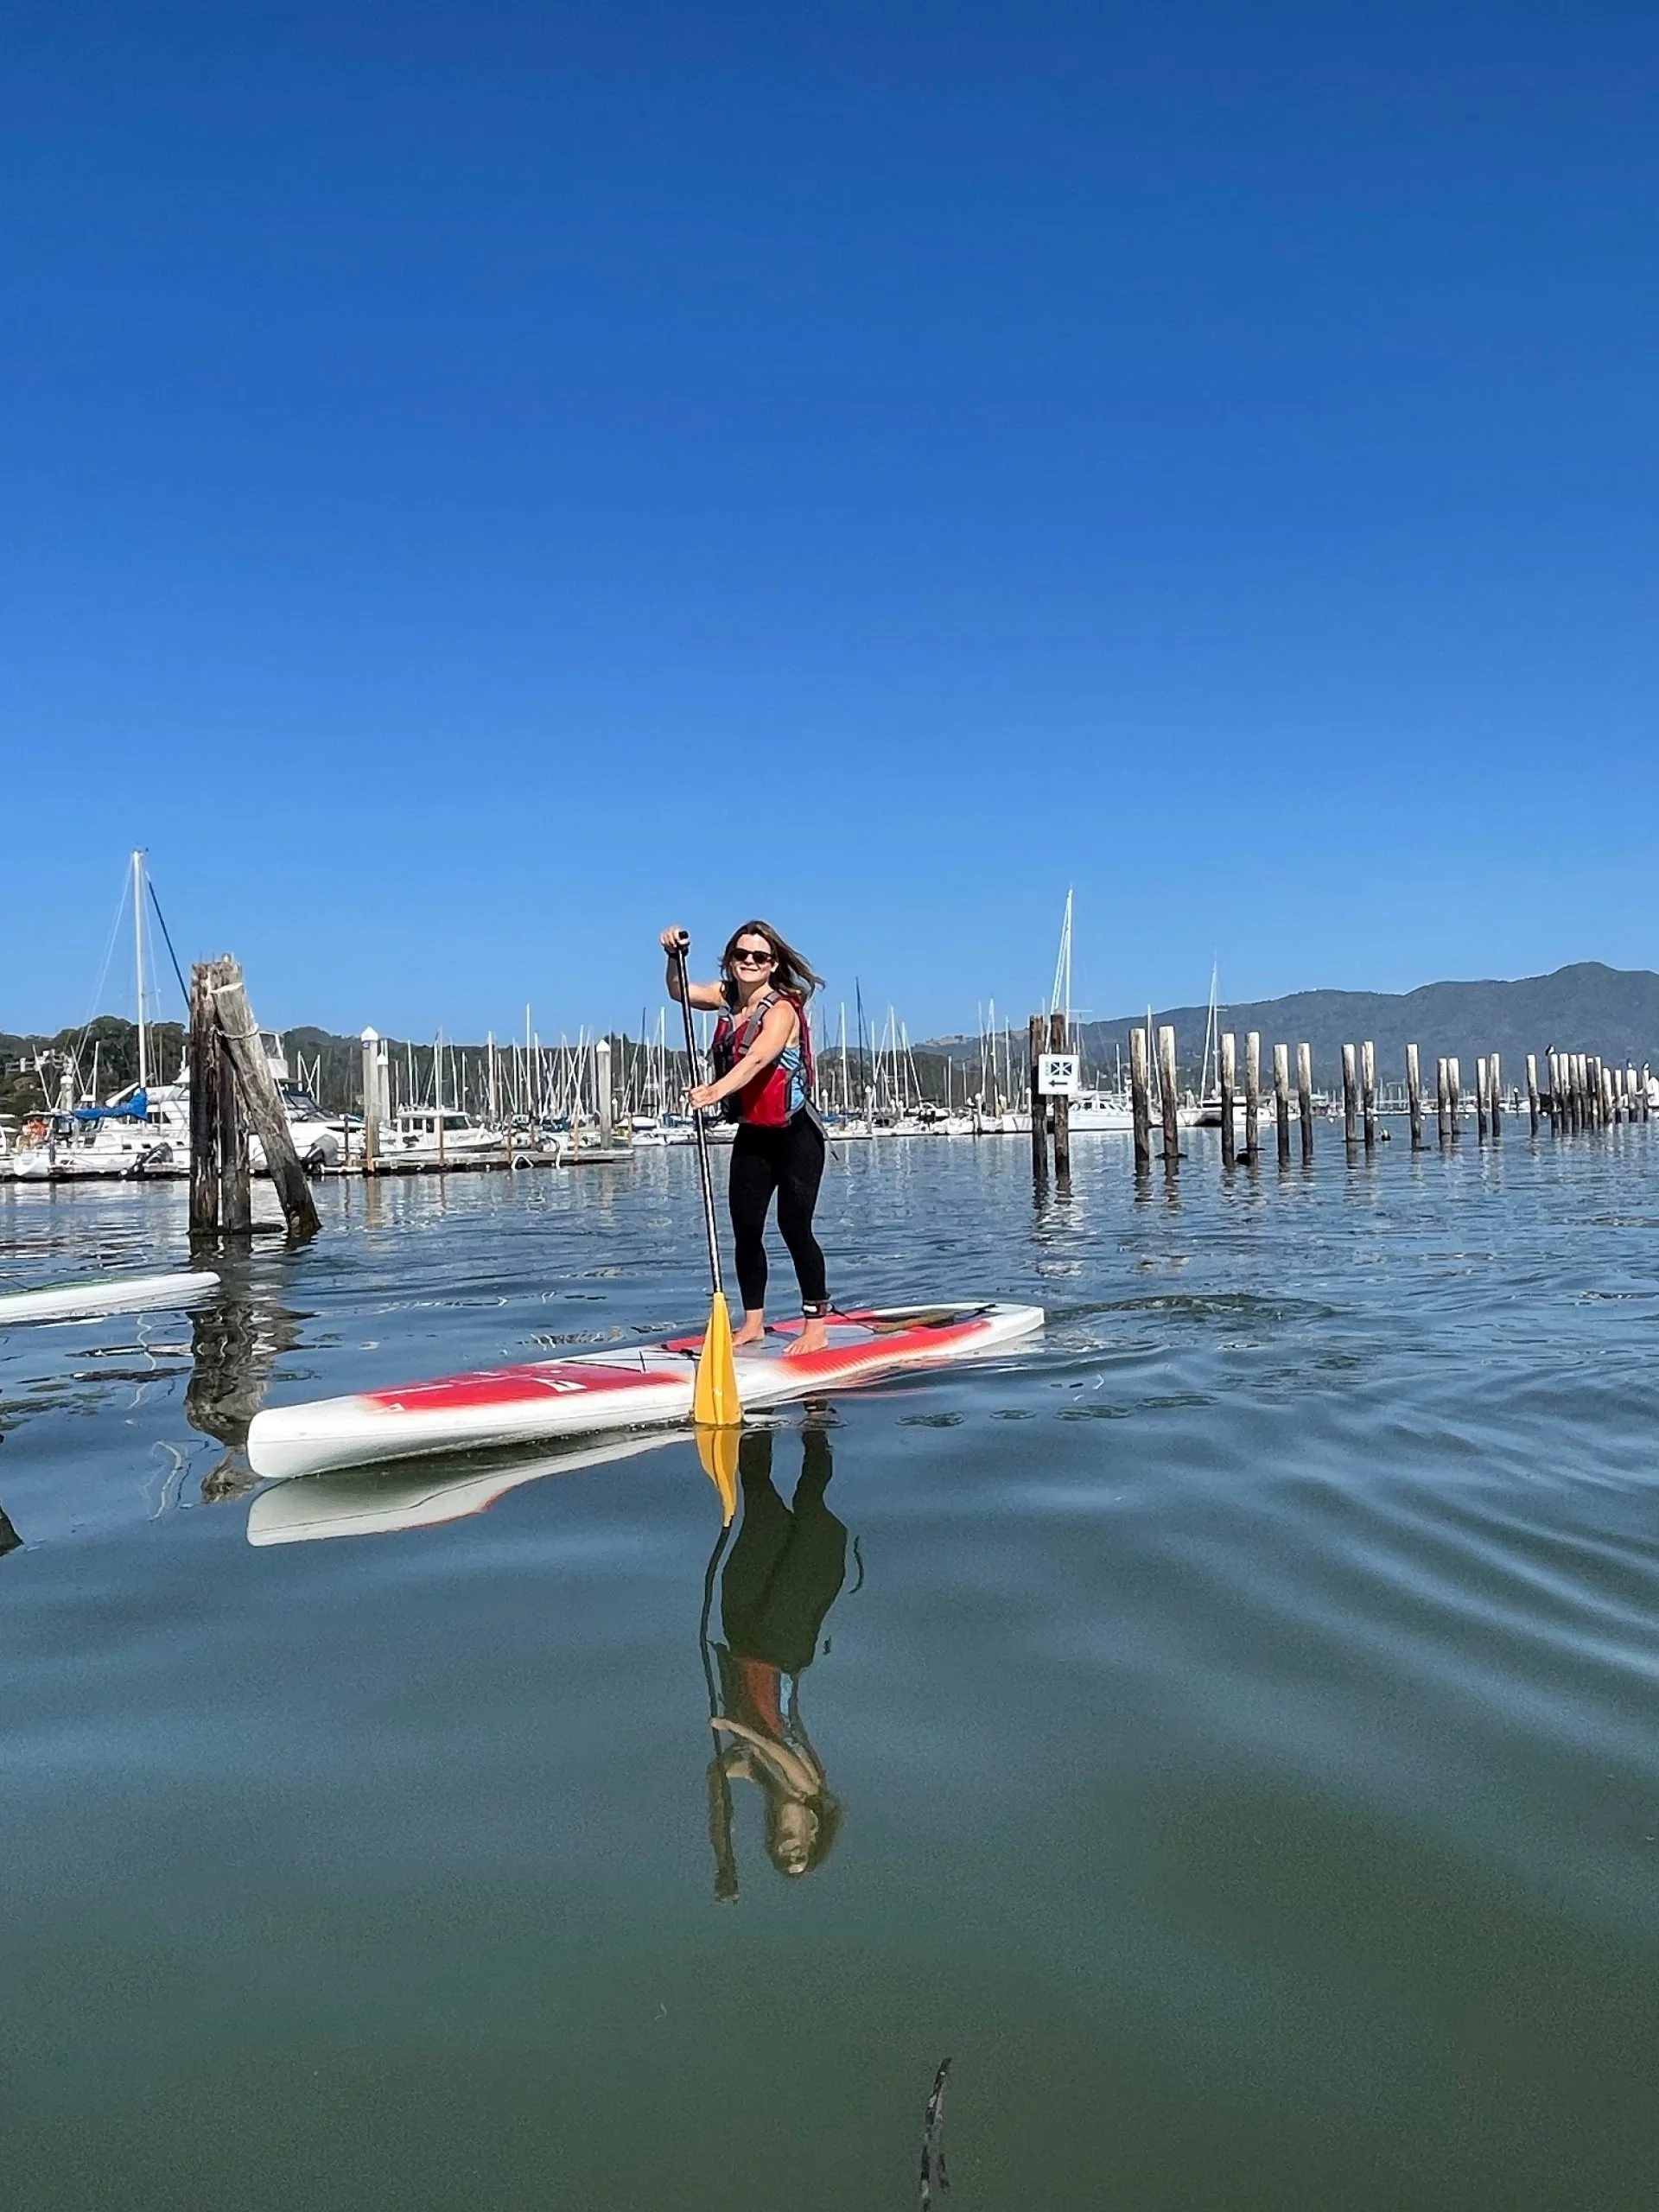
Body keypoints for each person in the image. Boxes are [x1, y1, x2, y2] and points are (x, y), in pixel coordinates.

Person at [661, 918, 832, 1357]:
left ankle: (816, 1326)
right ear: (731, 960)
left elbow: (758, 1059)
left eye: (760, 957)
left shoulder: (782, 1010)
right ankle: (753, 1323)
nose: (750, 963)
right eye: (742, 955)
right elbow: (679, 991)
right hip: (753, 1136)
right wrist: (672, 955)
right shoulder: (724, 997)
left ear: (774, 964)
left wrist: (713, 1092)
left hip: (797, 1136)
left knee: (794, 1227)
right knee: (746, 1229)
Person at [704, 1424, 847, 1895]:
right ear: (812, 1830)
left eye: (781, 1854)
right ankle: (816, 1426)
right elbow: (780, 1752)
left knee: (760, 1512)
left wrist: (723, 1847)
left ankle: (756, 1427)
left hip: (743, 1642)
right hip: (784, 1648)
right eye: (800, 1851)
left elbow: (719, 1772)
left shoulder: (758, 1781)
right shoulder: (809, 1789)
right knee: (807, 1521)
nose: (789, 1848)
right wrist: (735, 1731)